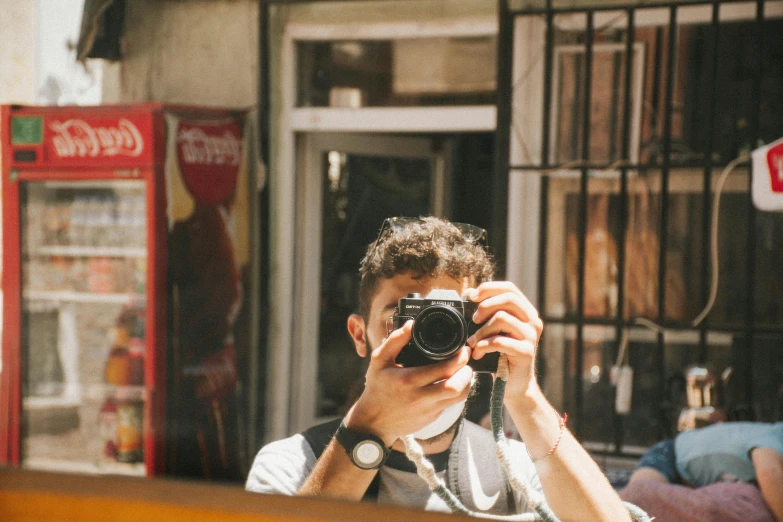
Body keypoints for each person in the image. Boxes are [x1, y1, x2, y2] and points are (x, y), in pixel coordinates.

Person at [247, 216, 645, 521]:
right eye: (403, 315)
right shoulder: (293, 465)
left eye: (447, 319)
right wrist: (370, 427)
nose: (426, 336)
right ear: (358, 334)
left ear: (483, 323)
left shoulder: (511, 466)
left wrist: (526, 397)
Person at [625, 421, 783, 521]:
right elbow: (769, 474)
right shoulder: (774, 437)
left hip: (696, 485)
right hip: (669, 456)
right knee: (635, 504)